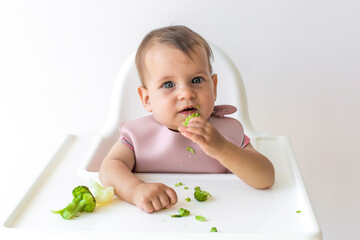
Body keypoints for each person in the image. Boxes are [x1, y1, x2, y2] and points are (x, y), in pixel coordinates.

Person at [99, 25, 275, 213]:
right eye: (168, 84)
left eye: (197, 80)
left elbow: (265, 177)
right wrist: (135, 189)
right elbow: (109, 169)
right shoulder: (138, 136)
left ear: (214, 87)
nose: (186, 93)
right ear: (147, 99)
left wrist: (222, 148)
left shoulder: (226, 134)